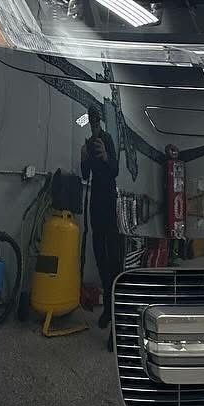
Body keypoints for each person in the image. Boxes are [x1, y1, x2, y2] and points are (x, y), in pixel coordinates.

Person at [80, 108, 120, 329]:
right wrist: (83, 159)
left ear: (99, 122)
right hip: (95, 205)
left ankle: (116, 315)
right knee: (100, 258)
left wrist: (106, 156)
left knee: (113, 260)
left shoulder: (107, 139)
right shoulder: (88, 143)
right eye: (91, 121)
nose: (93, 125)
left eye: (95, 121)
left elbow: (115, 170)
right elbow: (85, 175)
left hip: (109, 203)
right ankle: (107, 309)